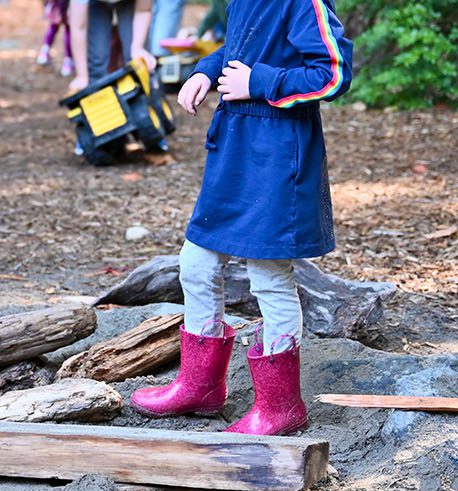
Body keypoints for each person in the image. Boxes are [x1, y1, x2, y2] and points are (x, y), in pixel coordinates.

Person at [129, 0, 353, 436]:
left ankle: (280, 406)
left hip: (278, 156)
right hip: (234, 151)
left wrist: (260, 81)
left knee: (268, 275)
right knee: (196, 263)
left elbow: (334, 73)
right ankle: (200, 386)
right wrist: (205, 71)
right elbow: (239, 49)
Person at [65, 0, 155, 92]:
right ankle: (99, 98)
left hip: (130, 3)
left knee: (136, 61)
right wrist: (82, 76)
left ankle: (143, 99)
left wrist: (138, 47)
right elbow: (79, 28)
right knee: (97, 61)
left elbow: (143, 10)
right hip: (96, 4)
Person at [38, 0, 75, 77]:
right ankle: (67, 63)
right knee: (68, 30)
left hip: (57, 4)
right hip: (67, 5)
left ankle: (44, 52)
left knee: (54, 26)